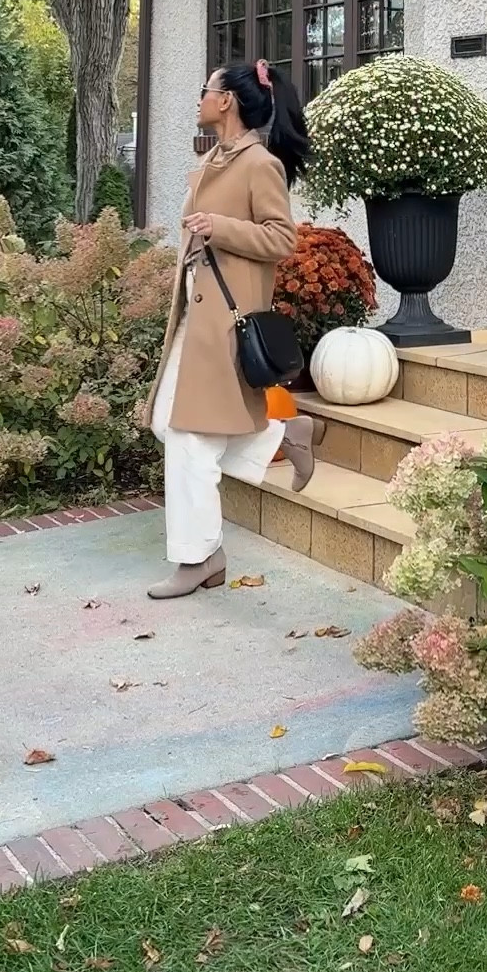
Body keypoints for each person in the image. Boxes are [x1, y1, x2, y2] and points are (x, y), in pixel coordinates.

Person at [144, 59, 324, 599]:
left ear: (227, 101)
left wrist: (219, 227)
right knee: (165, 422)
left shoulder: (259, 165)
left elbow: (282, 239)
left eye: (205, 90)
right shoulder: (211, 163)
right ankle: (284, 433)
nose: (198, 98)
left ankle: (199, 558)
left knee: (188, 436)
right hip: (195, 317)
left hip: (226, 319)